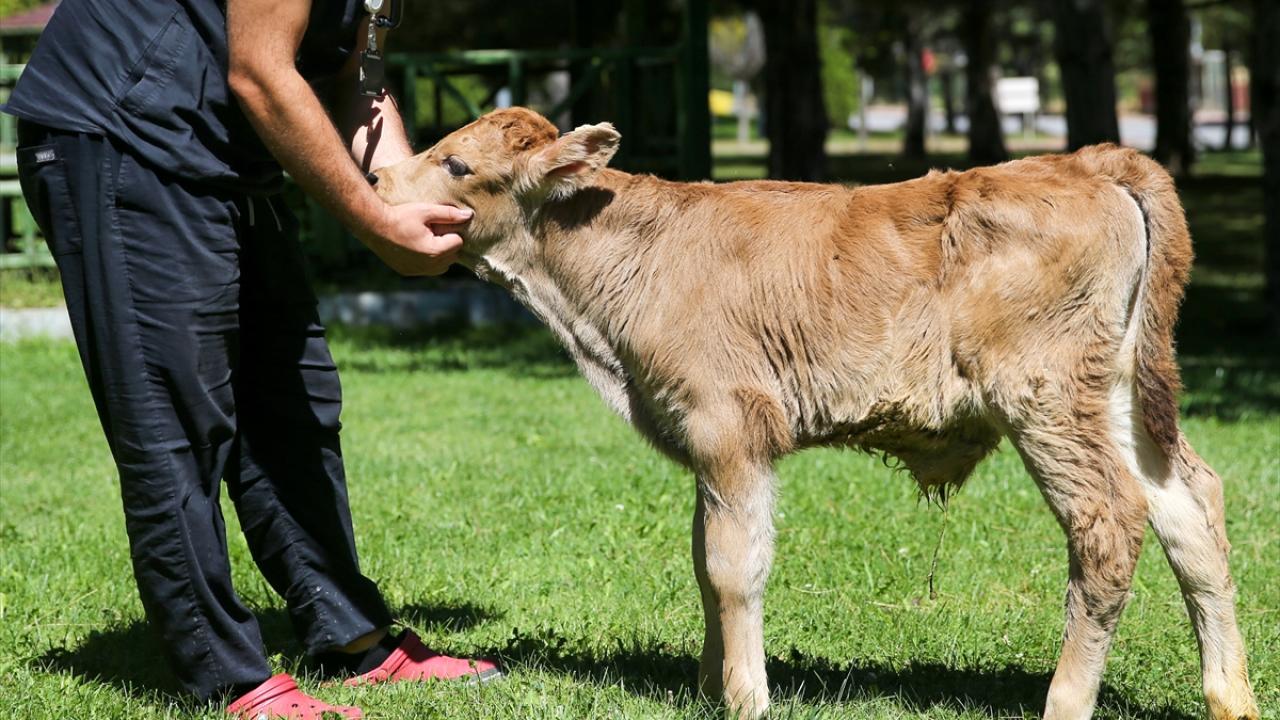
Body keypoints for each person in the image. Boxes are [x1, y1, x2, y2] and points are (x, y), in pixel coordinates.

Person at [3, 1, 498, 717]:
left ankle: (354, 638)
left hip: (224, 149)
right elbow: (261, 72)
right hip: (124, 133)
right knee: (176, 414)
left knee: (293, 401)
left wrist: (412, 195)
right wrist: (376, 224)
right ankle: (231, 678)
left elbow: (361, 76)